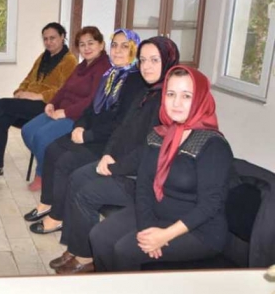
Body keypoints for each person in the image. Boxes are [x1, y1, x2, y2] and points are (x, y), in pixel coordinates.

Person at [40, 36, 180, 274]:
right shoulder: (146, 92)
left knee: (87, 191)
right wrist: (108, 155)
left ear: (168, 61)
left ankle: (86, 258)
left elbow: (151, 150)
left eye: (154, 60)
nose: (147, 66)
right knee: (77, 176)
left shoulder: (168, 100)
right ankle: (76, 247)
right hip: (123, 163)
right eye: (143, 60)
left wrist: (115, 166)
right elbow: (122, 130)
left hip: (144, 179)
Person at [90, 66, 233, 272]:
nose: (176, 103)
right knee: (99, 236)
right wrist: (148, 227)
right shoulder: (159, 135)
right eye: (171, 94)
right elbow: (144, 185)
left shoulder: (213, 144)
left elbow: (210, 205)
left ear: (200, 99)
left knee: (125, 250)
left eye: (186, 96)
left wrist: (164, 235)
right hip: (157, 215)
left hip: (199, 230)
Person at [23, 29, 144, 229]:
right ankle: (47, 203)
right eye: (115, 45)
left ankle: (58, 217)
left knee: (65, 161)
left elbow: (122, 125)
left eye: (125, 46)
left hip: (110, 142)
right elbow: (91, 107)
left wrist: (87, 135)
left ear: (134, 49)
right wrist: (79, 126)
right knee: (52, 149)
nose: (118, 51)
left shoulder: (136, 81)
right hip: (93, 132)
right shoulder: (110, 74)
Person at [0, 22, 78, 178]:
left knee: (1, 104)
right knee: (2, 119)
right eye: (45, 39)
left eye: (52, 38)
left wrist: (38, 96)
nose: (48, 42)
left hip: (47, 107)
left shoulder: (69, 61)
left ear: (62, 37)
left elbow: (64, 90)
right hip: (30, 104)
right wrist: (20, 91)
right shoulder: (43, 57)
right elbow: (28, 79)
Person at [21, 26, 110, 191]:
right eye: (82, 45)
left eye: (91, 43)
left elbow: (92, 100)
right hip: (61, 110)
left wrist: (65, 112)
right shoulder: (82, 66)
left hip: (78, 117)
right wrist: (52, 103)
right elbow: (64, 89)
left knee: (41, 137)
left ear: (101, 45)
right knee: (27, 130)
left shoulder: (104, 68)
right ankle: (50, 164)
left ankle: (43, 174)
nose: (86, 48)